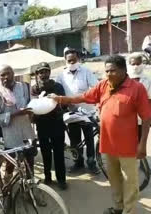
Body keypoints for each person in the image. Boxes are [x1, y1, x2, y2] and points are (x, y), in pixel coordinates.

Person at [50, 55, 151, 214]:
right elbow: (83, 96)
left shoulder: (136, 88)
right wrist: (62, 99)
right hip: (108, 144)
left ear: (124, 70)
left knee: (130, 182)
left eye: (113, 71)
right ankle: (118, 208)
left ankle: (129, 211)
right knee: (115, 179)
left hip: (128, 147)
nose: (109, 74)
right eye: (107, 71)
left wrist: (142, 144)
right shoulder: (104, 85)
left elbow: (146, 118)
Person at [0, 65, 36, 182]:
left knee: (30, 160)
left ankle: (31, 186)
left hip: (26, 130)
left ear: (13, 74)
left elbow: (30, 104)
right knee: (11, 163)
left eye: (8, 74)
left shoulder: (24, 87)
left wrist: (32, 113)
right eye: (2, 75)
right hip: (10, 133)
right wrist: (16, 114)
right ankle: (7, 185)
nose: (5, 77)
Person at [56, 48, 100, 174]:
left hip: (86, 112)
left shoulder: (86, 72)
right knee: (75, 139)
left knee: (89, 138)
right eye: (69, 60)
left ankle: (91, 162)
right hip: (72, 114)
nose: (71, 62)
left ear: (78, 59)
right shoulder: (61, 75)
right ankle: (78, 162)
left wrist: (95, 103)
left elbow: (96, 87)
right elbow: (59, 92)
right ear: (65, 61)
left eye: (74, 60)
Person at [31, 62, 67, 190]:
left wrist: (57, 102)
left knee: (58, 153)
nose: (43, 74)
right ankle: (47, 178)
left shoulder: (58, 86)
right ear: (37, 74)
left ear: (49, 73)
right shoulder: (34, 89)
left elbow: (65, 103)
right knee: (46, 154)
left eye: (46, 71)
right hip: (42, 126)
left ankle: (61, 179)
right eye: (41, 72)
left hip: (57, 124)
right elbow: (32, 105)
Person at [127, 53, 151, 138]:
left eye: (138, 64)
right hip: (126, 119)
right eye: (133, 64)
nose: (135, 66)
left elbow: (149, 99)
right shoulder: (124, 79)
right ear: (129, 64)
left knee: (140, 143)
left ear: (142, 64)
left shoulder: (147, 80)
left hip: (142, 119)